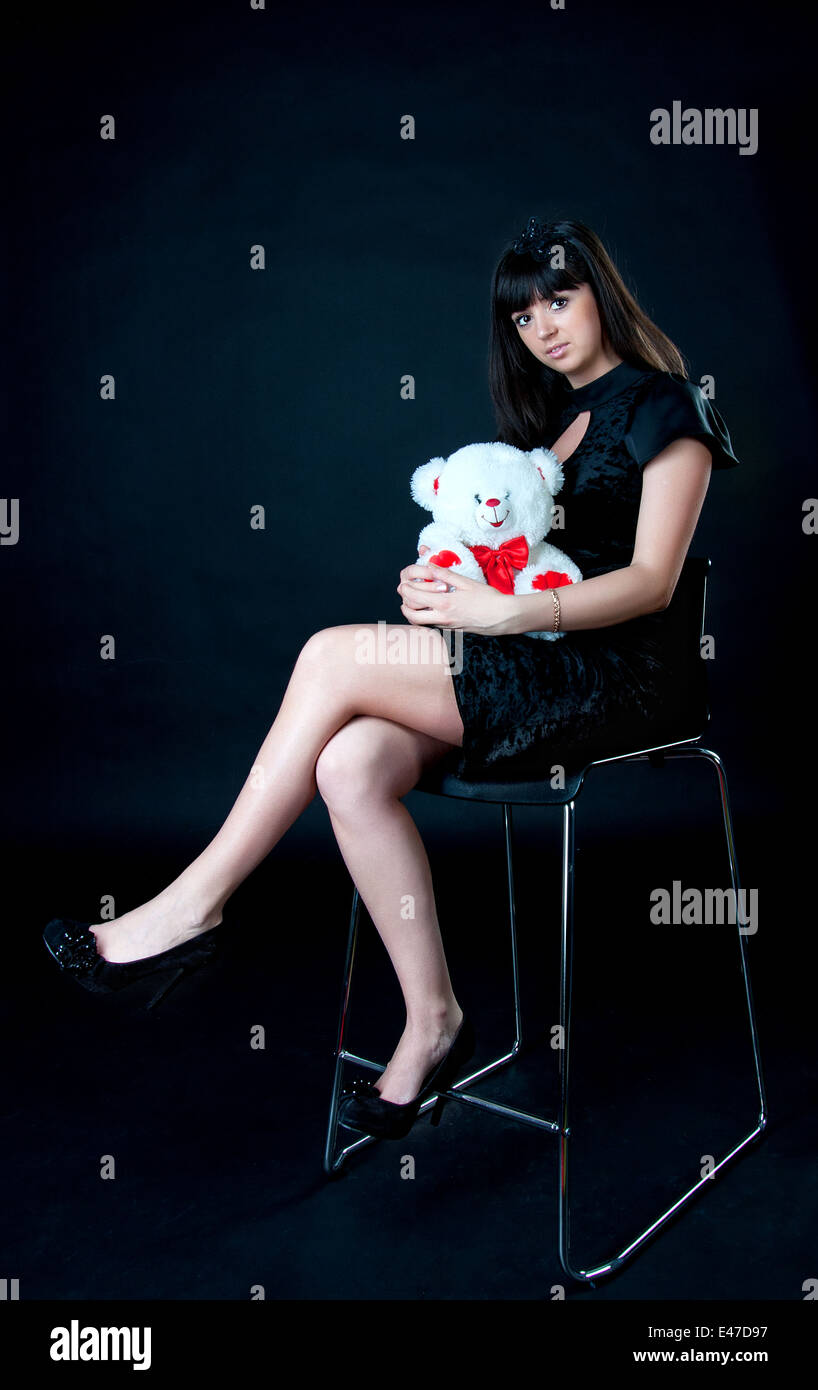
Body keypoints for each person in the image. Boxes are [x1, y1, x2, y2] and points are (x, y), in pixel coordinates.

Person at [43, 215, 739, 1141]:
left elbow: (652, 582)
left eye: (560, 301)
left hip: (625, 680)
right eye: (524, 318)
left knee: (332, 655)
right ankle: (432, 1018)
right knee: (351, 766)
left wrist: (504, 614)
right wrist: (449, 584)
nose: (545, 329)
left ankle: (188, 911)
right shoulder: (542, 427)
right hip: (535, 661)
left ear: (599, 293)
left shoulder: (667, 405)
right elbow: (517, 562)